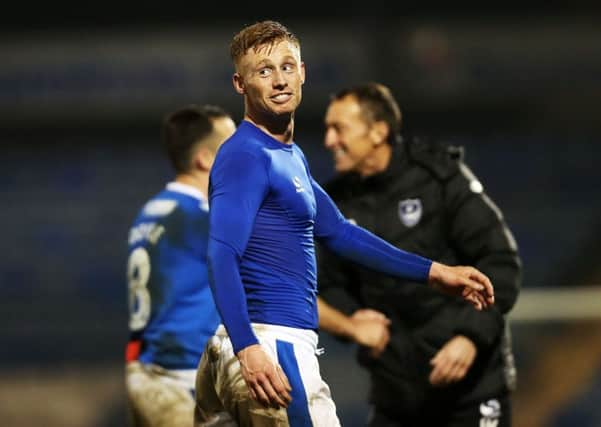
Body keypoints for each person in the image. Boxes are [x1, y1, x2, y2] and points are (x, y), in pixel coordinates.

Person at [194, 20, 494, 427]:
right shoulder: (247, 155)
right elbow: (221, 252)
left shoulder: (286, 156)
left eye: (287, 67)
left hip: (245, 346)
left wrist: (436, 272)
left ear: (303, 72)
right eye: (264, 72)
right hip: (270, 346)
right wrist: (249, 347)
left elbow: (339, 232)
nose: (279, 80)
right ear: (240, 84)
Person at [316, 82, 521, 426]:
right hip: (397, 394)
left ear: (378, 131)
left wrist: (469, 338)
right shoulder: (335, 202)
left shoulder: (438, 179)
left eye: (340, 128)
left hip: (471, 390)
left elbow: (500, 264)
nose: (329, 141)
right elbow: (329, 285)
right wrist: (354, 322)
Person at [125, 104, 236, 427]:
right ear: (205, 159)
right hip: (180, 381)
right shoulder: (198, 219)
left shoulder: (152, 211)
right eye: (230, 145)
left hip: (148, 375)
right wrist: (352, 326)